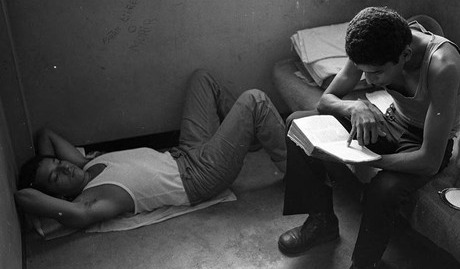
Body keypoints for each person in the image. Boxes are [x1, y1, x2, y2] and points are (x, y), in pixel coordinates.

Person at [278, 7, 460, 269]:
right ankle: (321, 221)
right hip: (389, 119)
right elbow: (326, 100)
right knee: (298, 125)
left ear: (405, 55)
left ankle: (366, 265)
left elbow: (429, 160)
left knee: (384, 188)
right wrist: (355, 105)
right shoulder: (372, 43)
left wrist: (370, 160)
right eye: (363, 71)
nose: (369, 80)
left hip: (426, 140)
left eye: (377, 73)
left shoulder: (444, 66)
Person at [15, 69, 286, 229]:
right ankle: (300, 174)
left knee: (201, 78)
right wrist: (45, 207)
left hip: (185, 152)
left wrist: (46, 166)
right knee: (255, 100)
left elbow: (46, 135)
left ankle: (250, 135)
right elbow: (24, 196)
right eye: (56, 177)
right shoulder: (89, 201)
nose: (63, 167)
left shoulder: (83, 166)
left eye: (57, 163)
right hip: (201, 177)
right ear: (58, 196)